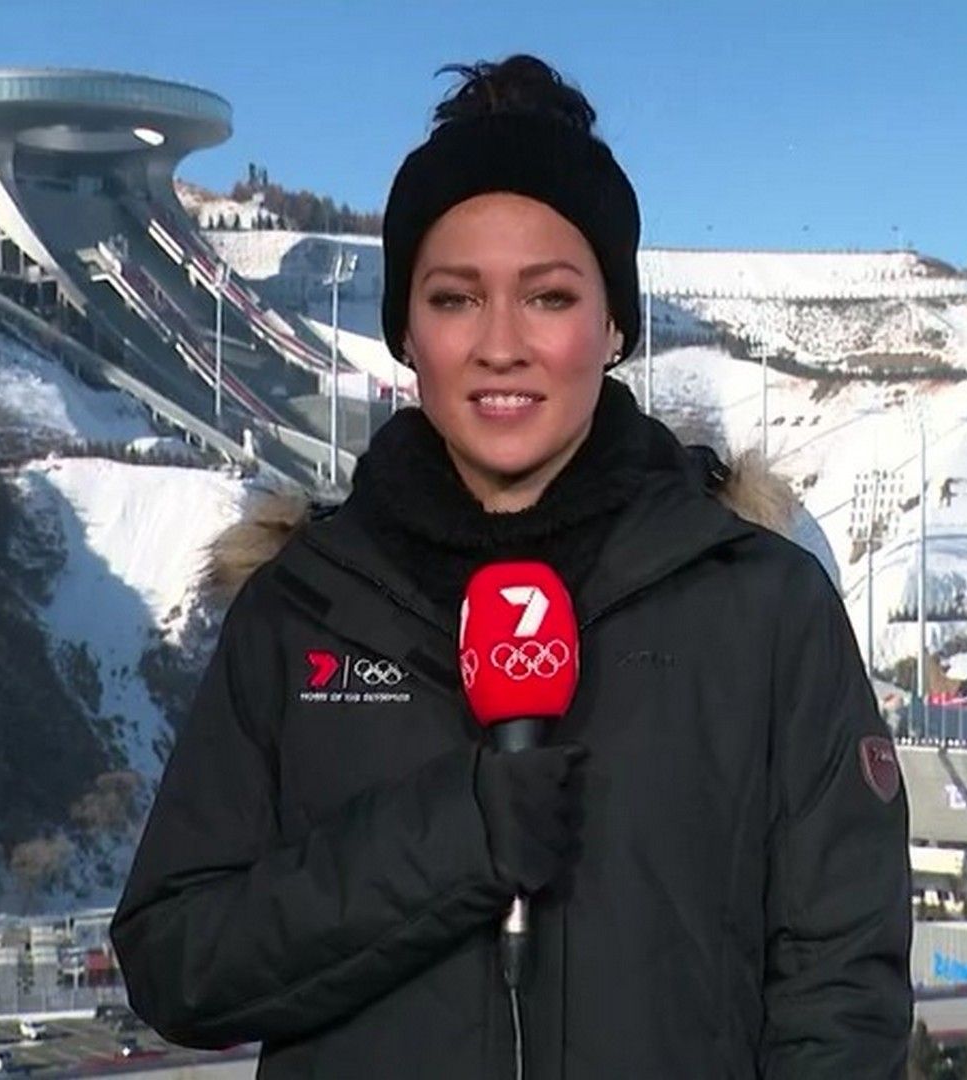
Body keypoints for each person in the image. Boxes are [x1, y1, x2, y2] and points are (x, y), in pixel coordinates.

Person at [111, 54, 912, 1078]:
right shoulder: (301, 609)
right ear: (406, 332)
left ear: (613, 324)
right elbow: (177, 960)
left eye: (548, 297)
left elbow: (843, 994)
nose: (501, 345)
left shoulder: (765, 609)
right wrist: (453, 841)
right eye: (455, 299)